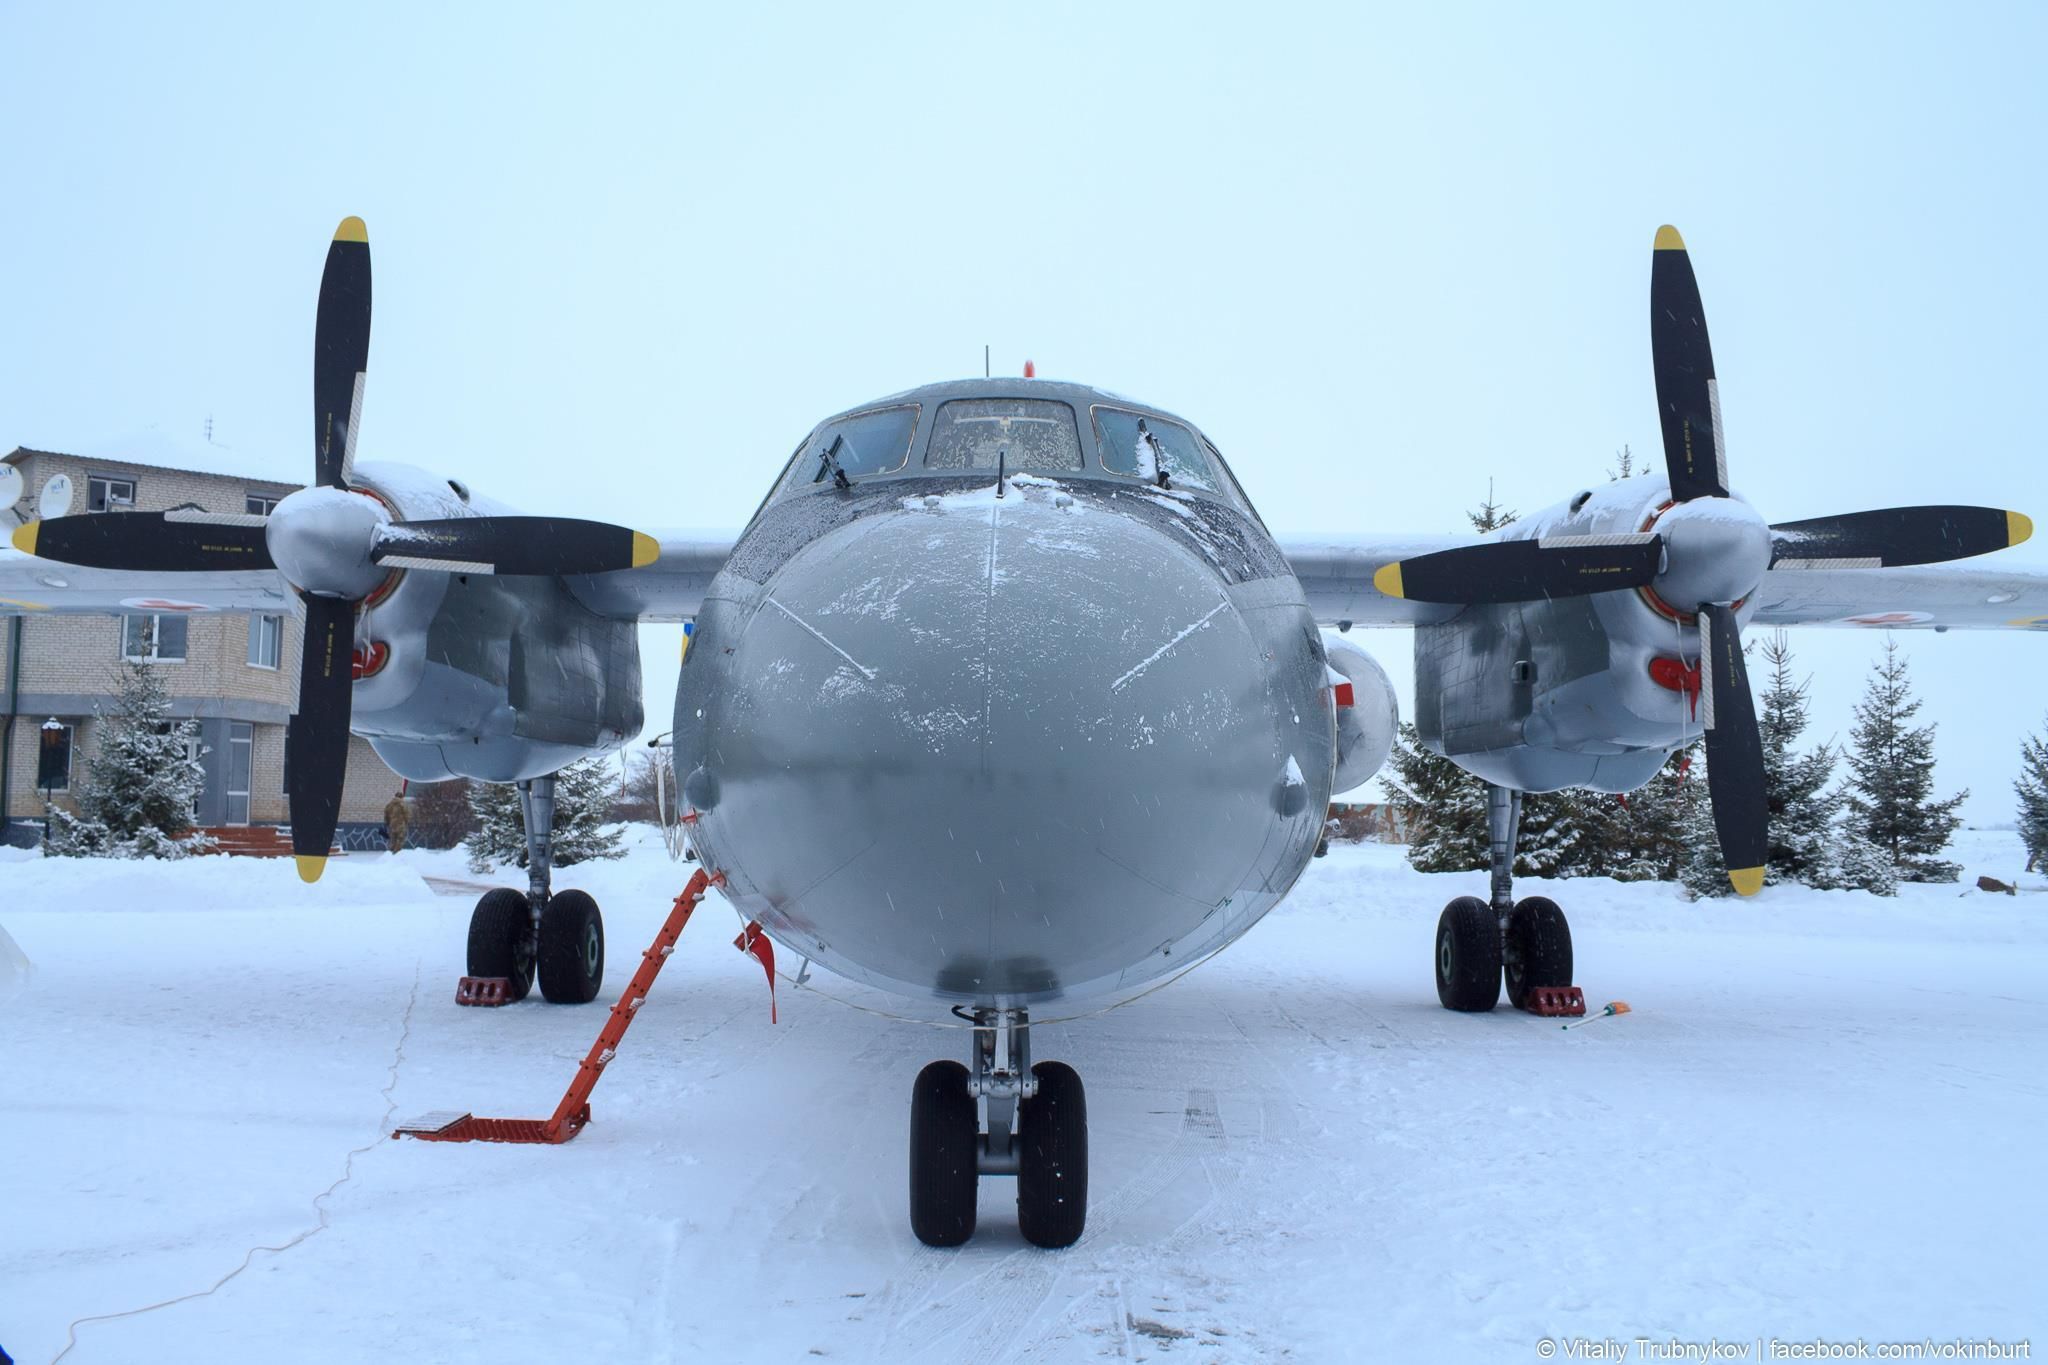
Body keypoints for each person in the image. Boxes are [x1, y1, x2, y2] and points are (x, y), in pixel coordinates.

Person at [383, 790, 410, 854]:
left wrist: (387, 823)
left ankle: (390, 854)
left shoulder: (389, 805)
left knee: (393, 840)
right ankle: (396, 854)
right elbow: (407, 814)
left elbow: (386, 815)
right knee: (400, 839)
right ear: (402, 797)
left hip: (392, 825)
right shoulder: (403, 804)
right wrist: (406, 822)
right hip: (400, 825)